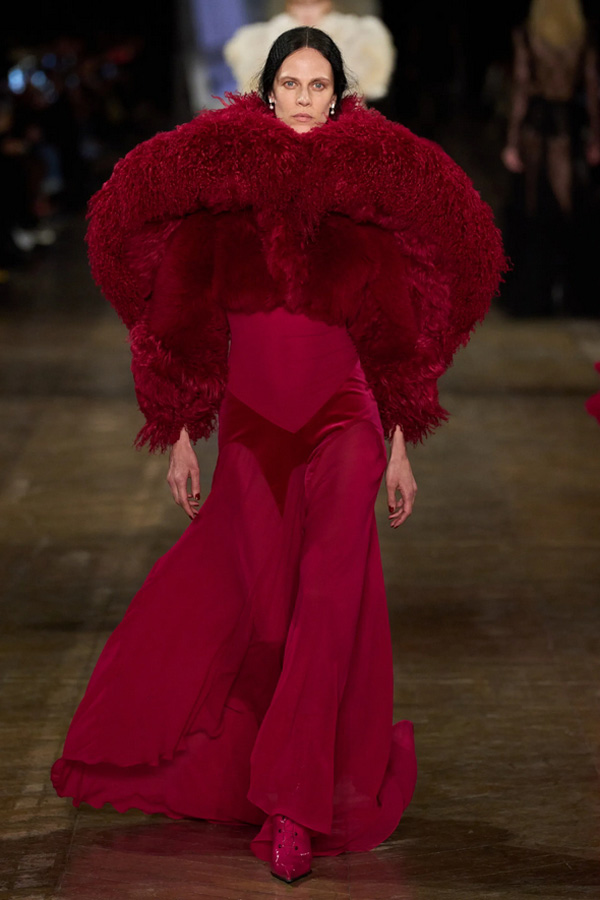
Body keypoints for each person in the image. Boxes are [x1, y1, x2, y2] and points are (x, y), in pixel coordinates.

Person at [51, 27, 505, 884]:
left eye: (317, 85)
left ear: (338, 98)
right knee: (265, 617)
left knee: (327, 607)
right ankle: (256, 775)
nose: (303, 98)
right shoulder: (220, 205)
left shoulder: (363, 202)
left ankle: (293, 811)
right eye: (290, 84)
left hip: (346, 424)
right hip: (252, 430)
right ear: (267, 94)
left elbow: (394, 337)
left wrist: (399, 444)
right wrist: (179, 431)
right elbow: (180, 321)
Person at [501, 0, 600, 316]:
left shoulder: (527, 35)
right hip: (570, 128)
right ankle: (575, 296)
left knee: (535, 210)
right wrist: (596, 138)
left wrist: (511, 142)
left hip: (536, 129)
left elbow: (521, 89)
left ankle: (534, 296)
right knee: (572, 210)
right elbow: (593, 89)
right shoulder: (581, 36)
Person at [224, 0, 396, 102]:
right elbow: (255, 92)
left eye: (315, 3)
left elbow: (365, 89)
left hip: (345, 122)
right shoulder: (259, 40)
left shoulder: (358, 36)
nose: (307, 11)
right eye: (300, 3)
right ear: (289, 4)